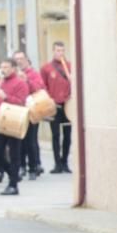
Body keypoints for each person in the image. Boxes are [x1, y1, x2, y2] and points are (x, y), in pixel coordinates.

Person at [0, 58, 30, 195]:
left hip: (14, 121)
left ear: (13, 68)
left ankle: (13, 185)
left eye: (7, 67)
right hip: (0, 122)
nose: (4, 70)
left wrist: (6, 96)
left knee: (14, 154)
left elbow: (21, 103)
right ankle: (13, 174)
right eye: (2, 67)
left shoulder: (21, 83)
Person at [40, 41, 73, 173]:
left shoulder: (70, 66)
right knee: (55, 135)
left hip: (68, 104)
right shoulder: (46, 68)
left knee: (67, 134)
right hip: (54, 105)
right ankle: (57, 163)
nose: (60, 53)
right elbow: (43, 86)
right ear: (53, 51)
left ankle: (65, 162)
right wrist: (49, 99)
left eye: (62, 51)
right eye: (58, 51)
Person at [14, 50, 45, 180]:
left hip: (32, 110)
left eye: (21, 58)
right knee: (19, 140)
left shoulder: (33, 74)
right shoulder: (13, 74)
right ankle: (21, 166)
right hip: (18, 111)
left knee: (31, 141)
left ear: (27, 60)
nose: (19, 61)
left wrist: (27, 80)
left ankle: (33, 166)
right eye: (17, 59)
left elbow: (39, 89)